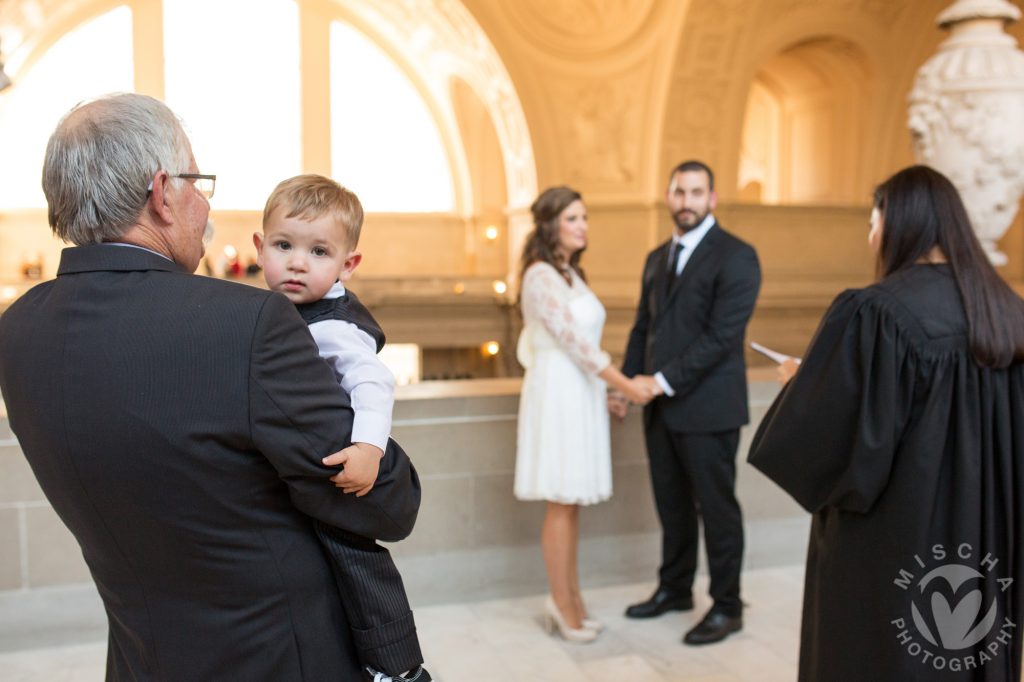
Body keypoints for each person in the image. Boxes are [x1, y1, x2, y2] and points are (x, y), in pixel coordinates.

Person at [0, 93, 422, 682]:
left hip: (140, 659)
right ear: (162, 194)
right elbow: (386, 503)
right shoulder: (245, 324)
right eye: (196, 183)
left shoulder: (18, 329)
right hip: (277, 658)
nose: (204, 203)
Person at [748, 165, 1024, 682]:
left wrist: (802, 384)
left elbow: (831, 445)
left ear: (897, 223)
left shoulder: (875, 313)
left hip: (895, 542)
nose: (872, 237)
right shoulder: (1007, 313)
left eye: (872, 223)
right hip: (986, 538)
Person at [253, 173, 428, 681]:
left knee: (356, 561)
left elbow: (374, 381)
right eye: (284, 245)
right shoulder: (279, 311)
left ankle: (396, 666)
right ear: (260, 247)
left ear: (348, 264)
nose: (298, 262)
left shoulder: (334, 326)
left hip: (342, 472)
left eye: (319, 252)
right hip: (303, 472)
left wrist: (369, 447)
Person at [619, 160, 762, 645]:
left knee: (717, 510)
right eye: (679, 192)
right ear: (668, 195)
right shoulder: (657, 256)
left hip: (710, 408)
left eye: (696, 192)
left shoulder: (738, 256)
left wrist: (657, 382)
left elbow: (721, 338)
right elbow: (644, 327)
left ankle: (727, 606)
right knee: (673, 506)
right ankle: (675, 589)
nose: (686, 201)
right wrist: (625, 384)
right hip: (659, 408)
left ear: (712, 198)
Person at [514, 186, 658, 643]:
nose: (583, 226)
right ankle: (561, 602)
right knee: (560, 500)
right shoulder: (539, 276)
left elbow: (589, 350)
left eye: (585, 218)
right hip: (557, 394)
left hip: (580, 391)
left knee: (571, 502)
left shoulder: (572, 275)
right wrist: (628, 385)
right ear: (551, 223)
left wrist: (606, 393)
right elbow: (575, 346)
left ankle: (572, 598)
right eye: (574, 218)